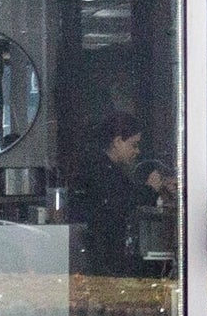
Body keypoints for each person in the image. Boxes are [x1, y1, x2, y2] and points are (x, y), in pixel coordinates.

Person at [65, 111, 174, 275]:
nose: (137, 151)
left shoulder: (106, 168)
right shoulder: (100, 170)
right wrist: (150, 190)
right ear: (117, 141)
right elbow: (122, 204)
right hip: (105, 256)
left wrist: (160, 189)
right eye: (134, 145)